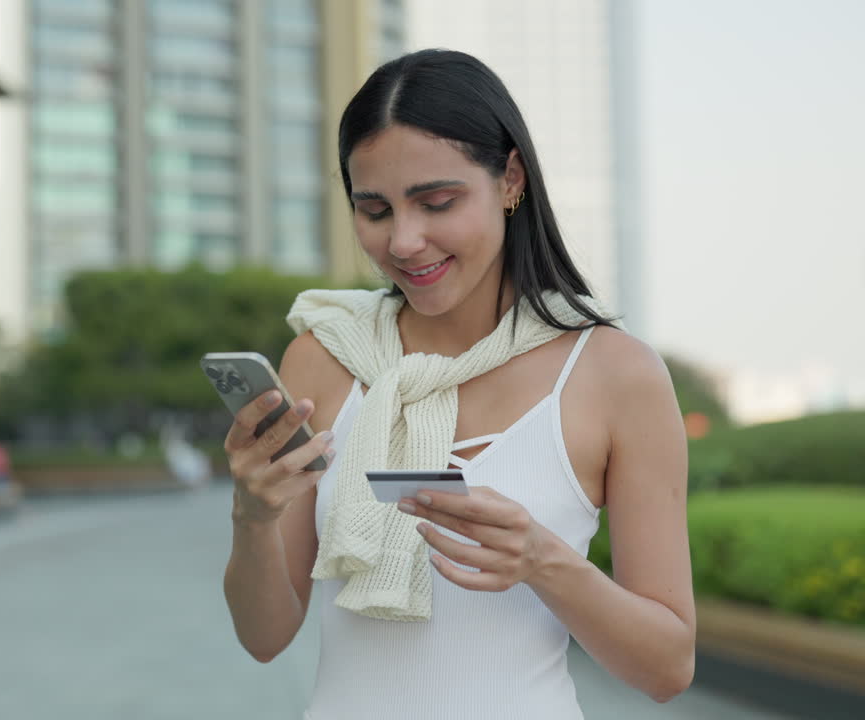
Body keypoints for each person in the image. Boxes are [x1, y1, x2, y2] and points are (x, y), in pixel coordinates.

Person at [221, 49, 694, 719]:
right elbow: (264, 637)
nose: (406, 241)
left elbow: (669, 668)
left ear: (510, 180)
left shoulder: (614, 374)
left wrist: (544, 562)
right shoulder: (322, 358)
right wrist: (252, 515)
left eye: (437, 202)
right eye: (375, 211)